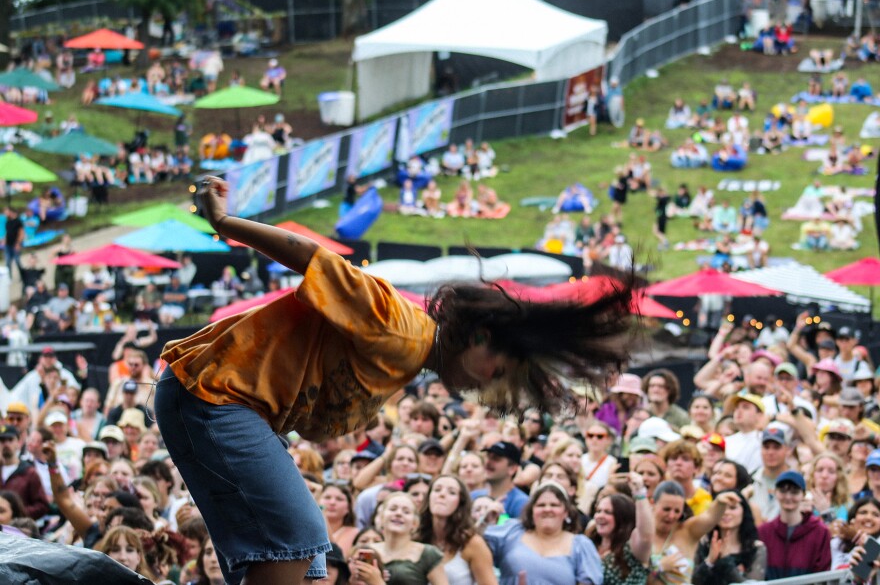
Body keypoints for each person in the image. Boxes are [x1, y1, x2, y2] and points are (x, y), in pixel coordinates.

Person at [156, 177, 632, 585]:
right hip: (212, 397)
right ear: (479, 338)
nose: (488, 384)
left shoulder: (410, 359)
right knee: (299, 539)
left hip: (218, 405)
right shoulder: (400, 328)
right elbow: (313, 257)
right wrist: (225, 223)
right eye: (499, 369)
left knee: (312, 566)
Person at [484, 481, 603, 584]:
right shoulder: (512, 532)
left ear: (566, 512)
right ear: (532, 511)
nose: (547, 509)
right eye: (541, 505)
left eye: (554, 505)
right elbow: (475, 549)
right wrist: (485, 522)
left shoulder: (581, 546)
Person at [650, 481, 739, 585]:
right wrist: (659, 567)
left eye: (677, 511)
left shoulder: (688, 531)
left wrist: (720, 502)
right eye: (666, 509)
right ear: (653, 503)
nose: (671, 516)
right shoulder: (640, 532)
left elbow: (710, 517)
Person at [417, 474, 497, 584]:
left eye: (451, 492)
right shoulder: (415, 538)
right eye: (437, 490)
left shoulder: (472, 543)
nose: (442, 494)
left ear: (460, 502)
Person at [758, 470, 832, 579]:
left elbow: (823, 572)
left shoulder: (820, 532)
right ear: (775, 492)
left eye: (794, 492)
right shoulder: (764, 531)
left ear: (803, 494)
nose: (788, 497)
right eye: (783, 491)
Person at [588, 472, 653, 585]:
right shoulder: (589, 544)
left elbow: (646, 536)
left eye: (608, 512)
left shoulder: (630, 549)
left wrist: (640, 493)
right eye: (598, 511)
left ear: (623, 517)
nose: (600, 516)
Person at [693, 490, 766, 584]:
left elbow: (752, 584)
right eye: (722, 508)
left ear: (744, 511)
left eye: (732, 508)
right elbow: (693, 581)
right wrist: (709, 560)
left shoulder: (756, 548)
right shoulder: (704, 542)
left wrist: (726, 560)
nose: (726, 513)